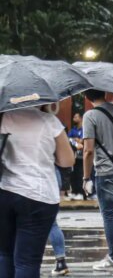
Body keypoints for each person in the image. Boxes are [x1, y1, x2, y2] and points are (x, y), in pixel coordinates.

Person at [0, 105, 74, 277]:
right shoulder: (49, 121)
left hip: (4, 191)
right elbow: (67, 161)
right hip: (38, 195)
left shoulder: (3, 118)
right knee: (27, 261)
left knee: (4, 254)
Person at [81, 89, 113, 271]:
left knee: (109, 214)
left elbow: (88, 150)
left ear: (86, 97)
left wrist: (85, 177)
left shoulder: (90, 116)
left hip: (106, 172)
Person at [49, 168, 70, 276]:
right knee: (52, 223)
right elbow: (68, 161)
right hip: (50, 174)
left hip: (20, 179)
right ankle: (61, 262)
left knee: (21, 224)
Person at [68, 113, 85, 199]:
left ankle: (81, 193)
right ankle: (74, 191)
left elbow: (82, 141)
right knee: (73, 174)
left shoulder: (84, 129)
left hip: (82, 156)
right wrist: (76, 140)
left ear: (81, 118)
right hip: (73, 155)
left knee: (80, 174)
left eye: (76, 117)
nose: (73, 118)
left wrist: (75, 139)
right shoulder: (73, 129)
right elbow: (69, 139)